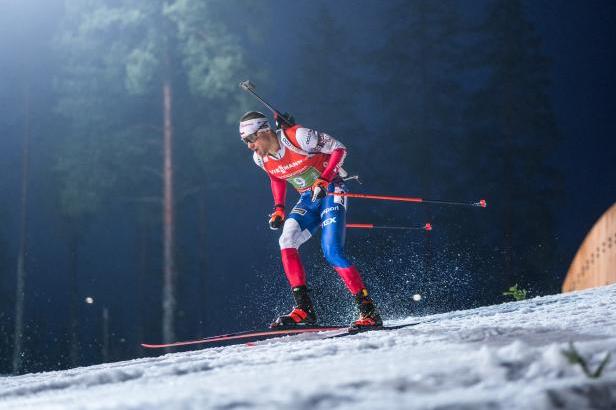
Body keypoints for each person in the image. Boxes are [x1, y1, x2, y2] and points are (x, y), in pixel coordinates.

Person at [239, 111, 382, 329]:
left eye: (251, 139)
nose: (249, 146)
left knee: (332, 251)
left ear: (265, 131)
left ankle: (369, 312)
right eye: (245, 141)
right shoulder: (260, 159)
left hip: (332, 188)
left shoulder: (297, 136)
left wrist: (324, 180)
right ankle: (304, 309)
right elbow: (275, 177)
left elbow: (339, 148)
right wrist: (279, 208)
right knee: (286, 240)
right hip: (308, 197)